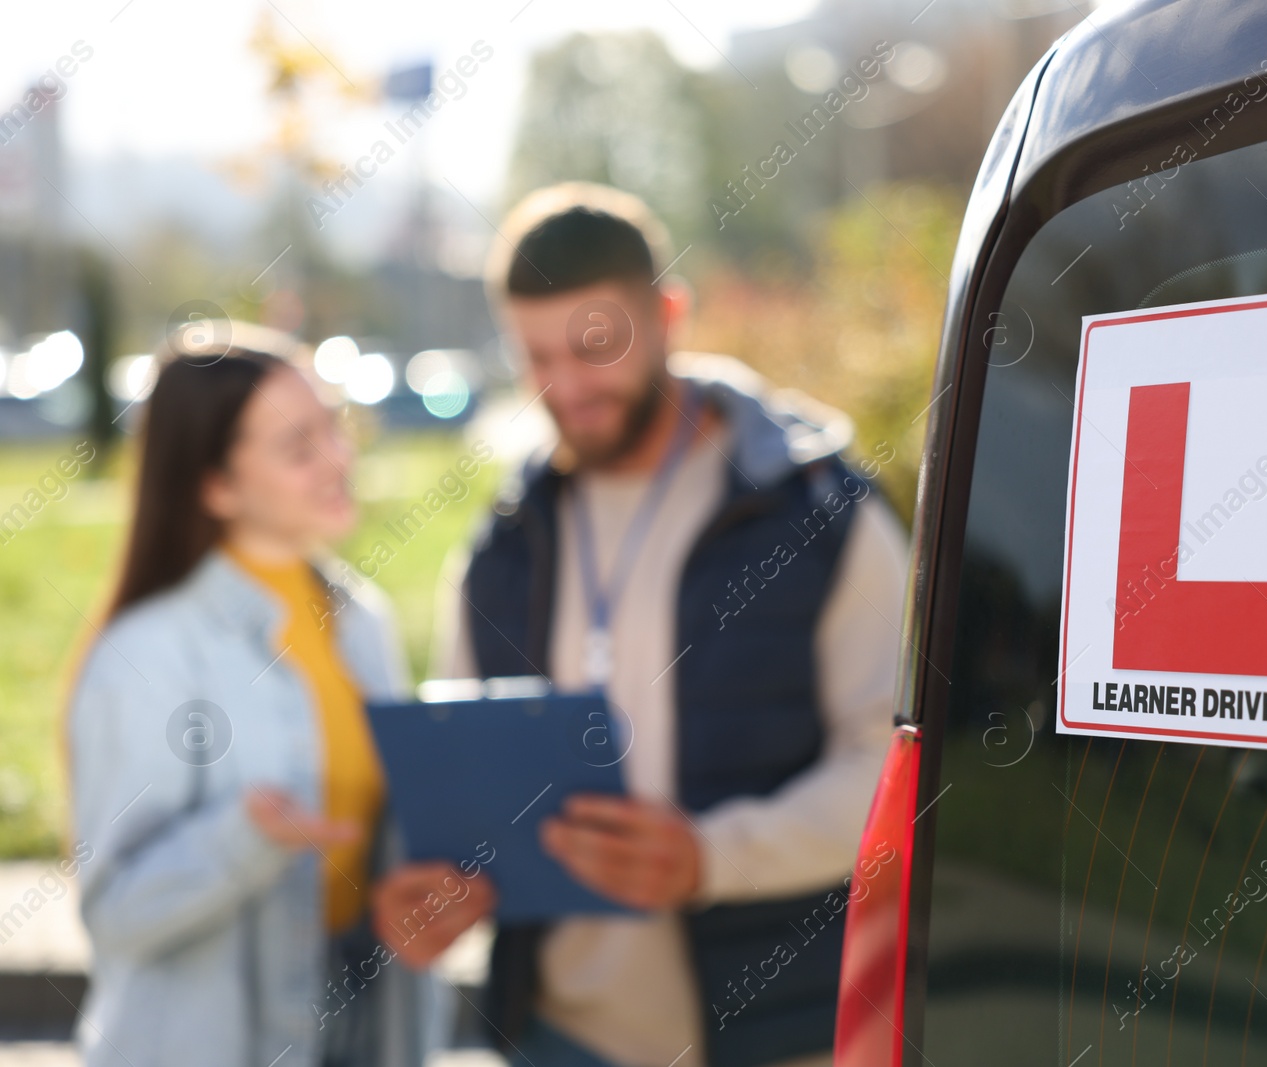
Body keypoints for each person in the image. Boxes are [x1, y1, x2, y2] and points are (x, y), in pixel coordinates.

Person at [373, 183, 910, 1067]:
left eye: (595, 347)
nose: (567, 387)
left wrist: (709, 858)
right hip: (560, 1037)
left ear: (668, 314)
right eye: (536, 355)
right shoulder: (501, 544)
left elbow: (892, 770)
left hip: (785, 1035)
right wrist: (434, 894)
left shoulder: (820, 511)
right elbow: (463, 777)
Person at [66, 327, 490, 1067]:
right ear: (215, 485)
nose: (338, 458)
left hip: (362, 1029)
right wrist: (245, 837)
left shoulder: (363, 619)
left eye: (334, 426)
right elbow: (114, 916)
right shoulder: (145, 655)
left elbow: (373, 842)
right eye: (299, 446)